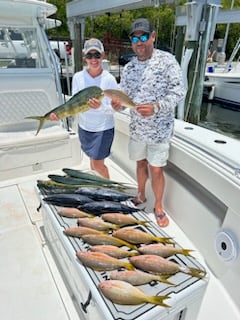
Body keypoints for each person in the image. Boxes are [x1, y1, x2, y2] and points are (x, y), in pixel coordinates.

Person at [112, 18, 186, 227]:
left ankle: (159, 206)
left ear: (153, 37)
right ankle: (141, 194)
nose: (139, 41)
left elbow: (179, 91)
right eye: (135, 38)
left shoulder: (168, 61)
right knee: (140, 163)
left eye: (144, 36)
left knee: (156, 169)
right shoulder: (129, 68)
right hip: (137, 130)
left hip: (160, 131)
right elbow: (124, 96)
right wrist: (119, 105)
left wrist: (156, 107)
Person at [50, 38, 119, 179]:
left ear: (103, 56)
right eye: (89, 55)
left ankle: (109, 191)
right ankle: (98, 187)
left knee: (98, 164)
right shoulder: (78, 77)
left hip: (103, 129)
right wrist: (58, 115)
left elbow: (114, 108)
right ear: (84, 57)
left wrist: (100, 107)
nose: (93, 59)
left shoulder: (110, 79)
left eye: (97, 55)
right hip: (85, 128)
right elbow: (74, 105)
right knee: (92, 164)